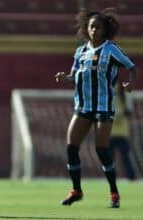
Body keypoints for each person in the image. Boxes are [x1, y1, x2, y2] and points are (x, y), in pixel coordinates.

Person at [55, 8, 139, 208]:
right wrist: (64, 77)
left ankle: (114, 193)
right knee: (71, 147)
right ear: (87, 28)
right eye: (91, 26)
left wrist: (131, 84)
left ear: (104, 29)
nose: (94, 30)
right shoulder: (80, 51)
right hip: (83, 106)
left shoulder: (111, 49)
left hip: (103, 107)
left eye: (98, 27)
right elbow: (74, 75)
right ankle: (76, 190)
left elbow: (132, 68)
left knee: (101, 149)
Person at [109, 80, 137, 180]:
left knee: (126, 156)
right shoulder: (107, 96)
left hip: (122, 132)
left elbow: (129, 112)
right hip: (109, 132)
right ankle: (111, 177)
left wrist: (120, 114)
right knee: (109, 158)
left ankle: (131, 177)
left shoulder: (124, 96)